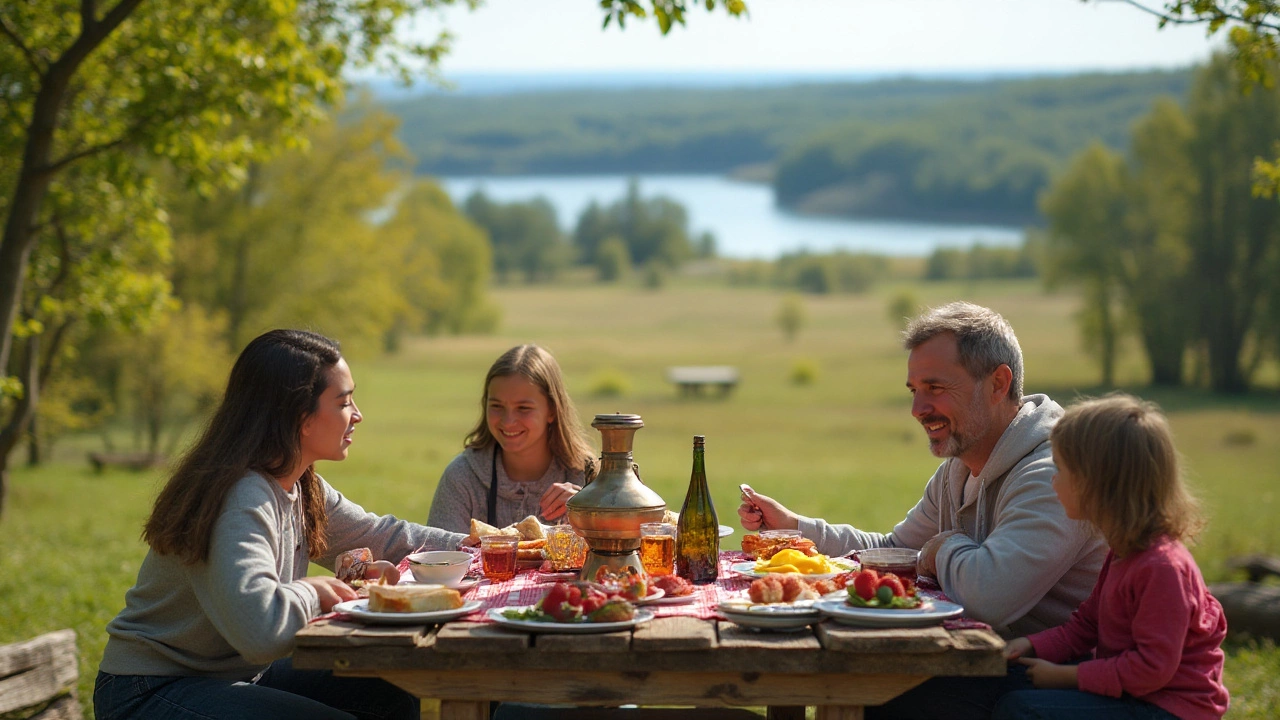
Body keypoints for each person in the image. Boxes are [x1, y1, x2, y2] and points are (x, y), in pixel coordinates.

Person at [738, 301, 1108, 719]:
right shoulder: (961, 467)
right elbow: (895, 550)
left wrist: (943, 546)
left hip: (1063, 680)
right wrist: (795, 528)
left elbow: (990, 597)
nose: (917, 410)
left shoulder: (1053, 472)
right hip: (984, 662)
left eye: (935, 388)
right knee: (867, 689)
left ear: (998, 383)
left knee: (880, 698)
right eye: (915, 391)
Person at [94, 329, 466, 720]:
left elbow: (384, 536)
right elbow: (260, 630)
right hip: (150, 689)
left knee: (385, 690)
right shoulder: (240, 496)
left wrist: (488, 545)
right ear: (300, 418)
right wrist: (312, 590)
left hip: (234, 676)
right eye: (343, 402)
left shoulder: (300, 483)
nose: (357, 415)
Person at [995, 395, 1229, 720]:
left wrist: (1067, 677)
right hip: (1136, 693)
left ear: (1099, 484)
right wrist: (1028, 645)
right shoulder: (1123, 551)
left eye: (1061, 469)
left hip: (1168, 708)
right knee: (1006, 682)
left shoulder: (1162, 568)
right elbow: (1086, 626)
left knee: (1022, 710)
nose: (1053, 480)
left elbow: (1152, 669)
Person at [428, 344, 596, 534]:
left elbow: (625, 551)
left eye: (523, 408)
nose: (508, 422)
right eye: (497, 406)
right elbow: (438, 559)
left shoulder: (590, 478)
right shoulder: (462, 476)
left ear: (552, 410)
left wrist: (591, 513)